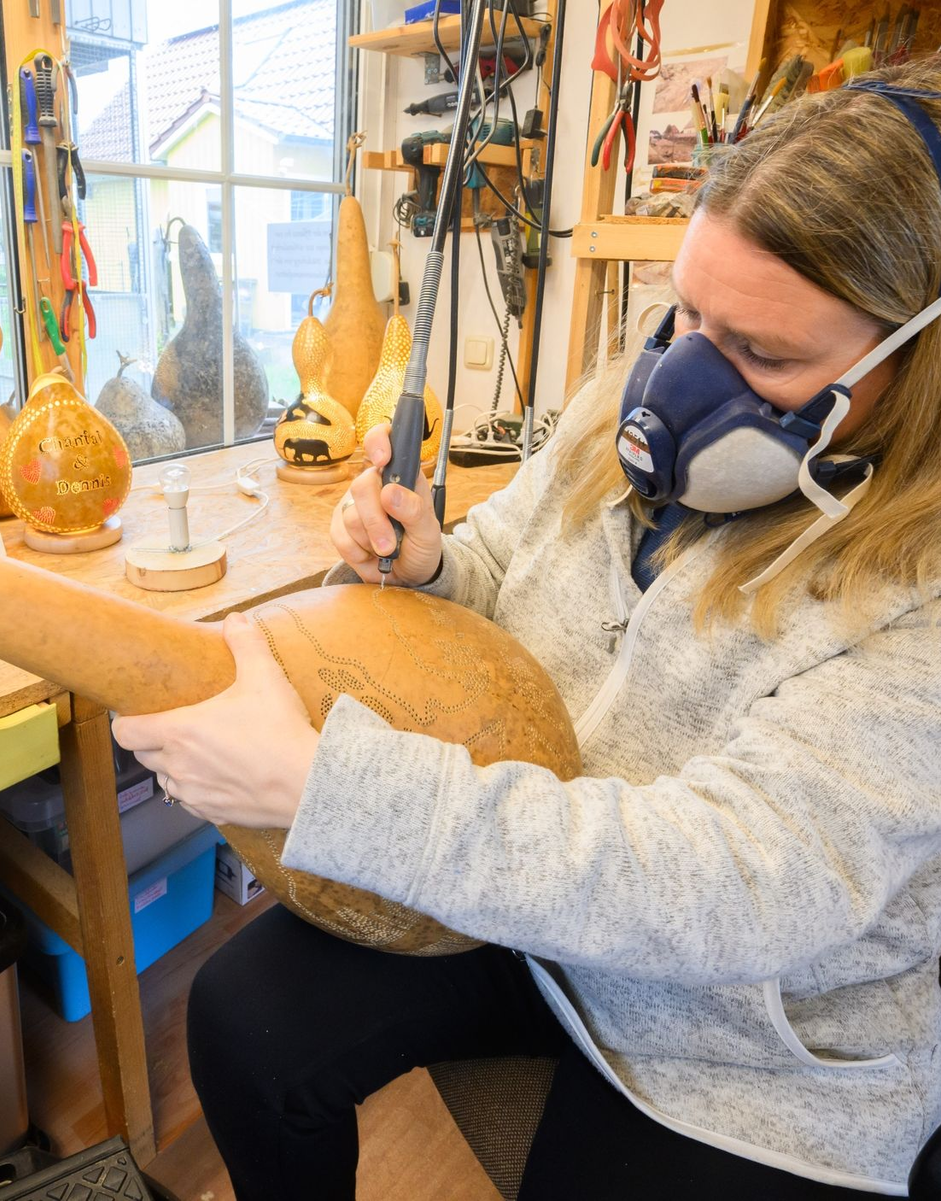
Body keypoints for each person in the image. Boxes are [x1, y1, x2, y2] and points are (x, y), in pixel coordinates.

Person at [112, 60, 941, 1199]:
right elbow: (508, 562)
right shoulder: (622, 411)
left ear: (918, 363)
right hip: (534, 896)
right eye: (688, 314)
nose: (687, 375)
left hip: (742, 1030)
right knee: (245, 1017)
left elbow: (728, 884)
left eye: (764, 353)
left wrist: (321, 789)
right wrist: (436, 560)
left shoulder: (924, 598)